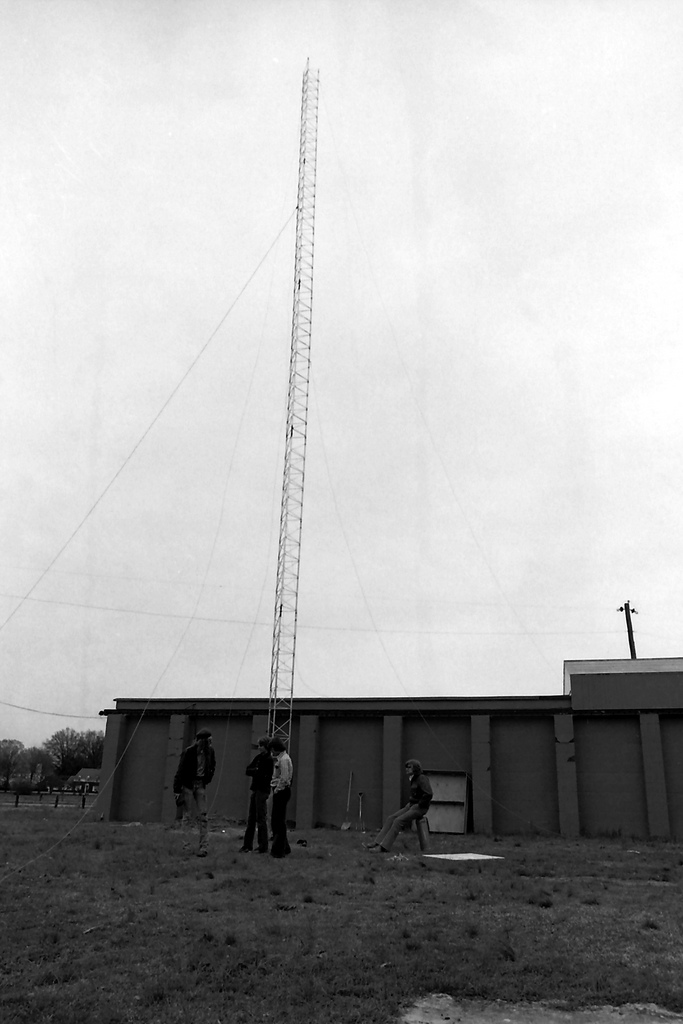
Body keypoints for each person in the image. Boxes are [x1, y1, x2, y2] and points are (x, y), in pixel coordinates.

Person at [364, 759, 433, 854]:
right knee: (391, 818)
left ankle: (384, 847)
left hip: (419, 807)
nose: (407, 769)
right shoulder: (413, 778)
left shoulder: (422, 778)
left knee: (398, 821)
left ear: (416, 768)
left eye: (410, 767)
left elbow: (429, 794)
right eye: (406, 767)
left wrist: (420, 804)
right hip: (411, 805)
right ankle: (377, 842)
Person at [173, 728, 216, 857]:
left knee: (203, 816)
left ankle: (204, 847)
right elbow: (180, 771)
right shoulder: (189, 752)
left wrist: (208, 778)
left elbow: (213, 765)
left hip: (201, 784)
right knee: (187, 817)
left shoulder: (210, 752)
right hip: (188, 786)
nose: (210, 743)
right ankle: (186, 846)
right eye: (209, 740)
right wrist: (177, 789)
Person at [239, 735, 273, 854]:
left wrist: (257, 771)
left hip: (262, 791)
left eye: (261, 746)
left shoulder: (269, 760)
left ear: (266, 747)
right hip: (255, 789)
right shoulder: (258, 758)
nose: (259, 748)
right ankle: (247, 845)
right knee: (251, 818)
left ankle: (263, 846)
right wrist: (256, 771)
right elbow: (248, 770)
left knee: (261, 818)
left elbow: (264, 775)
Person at [269, 736, 293, 858]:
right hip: (283, 790)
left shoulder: (283, 760)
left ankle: (278, 850)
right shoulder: (284, 758)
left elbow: (284, 778)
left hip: (281, 791)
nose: (271, 752)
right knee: (278, 820)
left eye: (272, 750)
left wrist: (277, 789)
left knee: (278, 821)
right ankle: (285, 847)